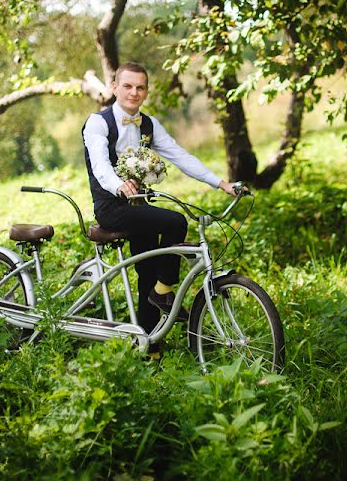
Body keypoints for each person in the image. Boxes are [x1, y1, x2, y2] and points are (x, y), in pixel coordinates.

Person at [82, 62, 236, 354]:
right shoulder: (99, 123)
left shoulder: (148, 124)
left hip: (139, 205)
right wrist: (118, 185)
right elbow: (101, 165)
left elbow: (181, 156)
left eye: (140, 87)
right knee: (176, 223)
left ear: (146, 91)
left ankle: (149, 342)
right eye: (127, 86)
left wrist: (220, 183)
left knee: (147, 271)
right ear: (114, 87)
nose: (133, 92)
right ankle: (164, 292)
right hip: (111, 206)